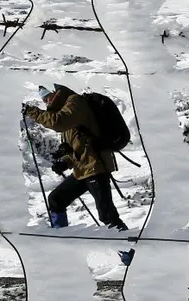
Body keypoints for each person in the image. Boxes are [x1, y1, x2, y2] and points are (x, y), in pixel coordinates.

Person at [22, 83, 128, 231]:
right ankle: (61, 239)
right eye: (43, 100)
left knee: (107, 216)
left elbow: (58, 122)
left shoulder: (74, 102)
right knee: (56, 200)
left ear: (55, 91)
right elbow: (80, 147)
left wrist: (31, 111)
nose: (46, 101)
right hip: (83, 170)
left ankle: (128, 249)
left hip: (95, 167)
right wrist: (65, 162)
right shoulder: (66, 110)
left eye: (47, 96)